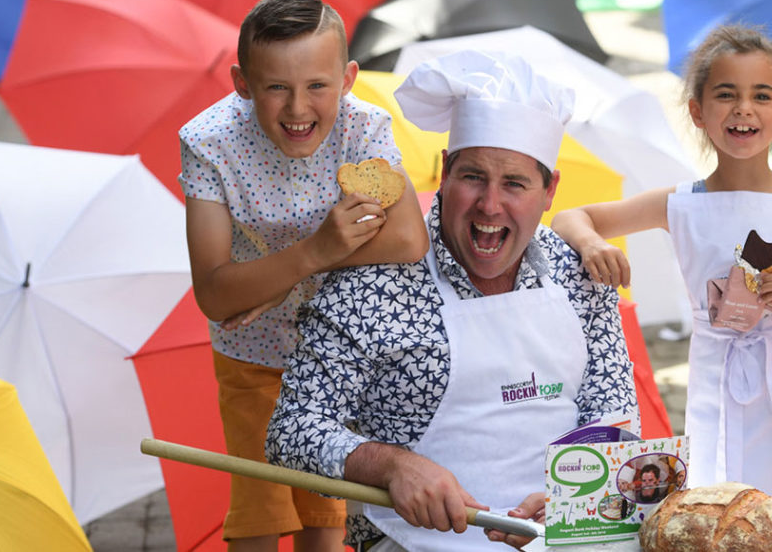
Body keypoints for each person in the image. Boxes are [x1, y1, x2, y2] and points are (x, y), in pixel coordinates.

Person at [265, 50, 639, 552]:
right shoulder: (373, 278)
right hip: (417, 540)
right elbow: (292, 430)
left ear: (550, 190)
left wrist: (574, 493)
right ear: (445, 171)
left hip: (565, 534)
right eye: (473, 177)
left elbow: (613, 413)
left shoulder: (579, 271)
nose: (489, 205)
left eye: (514, 184)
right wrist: (391, 464)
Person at [550, 24, 772, 549]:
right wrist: (594, 246)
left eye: (762, 96)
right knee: (719, 512)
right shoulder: (681, 204)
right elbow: (571, 217)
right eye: (726, 95)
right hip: (717, 382)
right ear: (697, 112)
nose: (744, 109)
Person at [179, 0, 428, 552]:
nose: (297, 109)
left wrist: (280, 275)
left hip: (338, 352)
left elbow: (409, 239)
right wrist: (313, 255)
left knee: (326, 515)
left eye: (317, 85)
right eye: (275, 88)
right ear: (243, 83)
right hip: (251, 357)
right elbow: (216, 295)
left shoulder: (364, 128)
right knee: (260, 514)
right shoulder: (208, 142)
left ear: (348, 78)